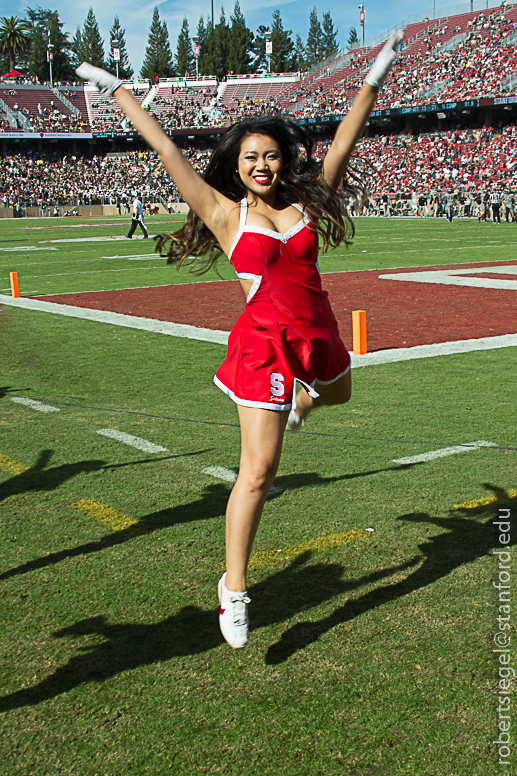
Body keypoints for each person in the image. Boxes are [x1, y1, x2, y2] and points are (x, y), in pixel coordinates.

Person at [76, 33, 403, 649]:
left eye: (272, 155)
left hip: (317, 332)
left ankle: (303, 402)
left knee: (339, 395)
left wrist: (377, 72)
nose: (261, 164)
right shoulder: (228, 213)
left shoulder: (309, 200)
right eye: (250, 156)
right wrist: (117, 89)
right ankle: (235, 587)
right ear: (237, 163)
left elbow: (347, 136)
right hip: (264, 344)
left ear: (285, 159)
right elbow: (168, 151)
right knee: (259, 471)